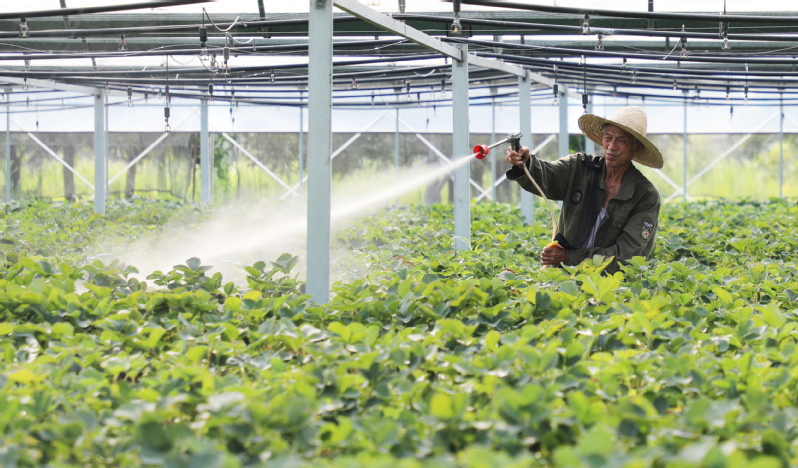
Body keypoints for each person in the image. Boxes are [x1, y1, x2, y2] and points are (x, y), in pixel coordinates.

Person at [505, 106, 662, 274]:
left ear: (636, 147)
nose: (611, 146)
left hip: (610, 284)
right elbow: (548, 175)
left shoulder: (646, 196)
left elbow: (627, 257)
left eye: (621, 141)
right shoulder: (579, 167)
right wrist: (526, 163)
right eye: (608, 138)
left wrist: (569, 257)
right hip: (561, 276)